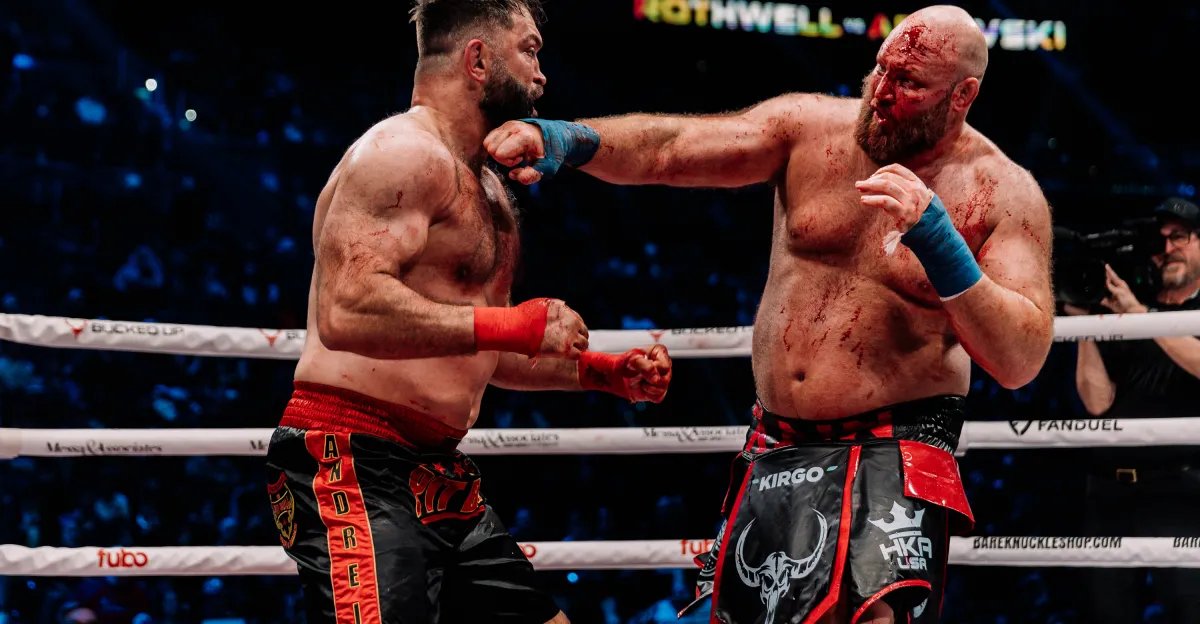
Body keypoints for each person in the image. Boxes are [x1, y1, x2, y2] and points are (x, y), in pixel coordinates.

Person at [485, 5, 1054, 623]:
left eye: (910, 83)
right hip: (778, 443)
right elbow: (674, 149)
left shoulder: (1002, 192)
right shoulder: (810, 129)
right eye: (880, 69)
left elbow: (1019, 360)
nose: (882, 93)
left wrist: (942, 246)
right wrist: (567, 139)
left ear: (962, 95)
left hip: (895, 445)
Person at [263, 1, 673, 623]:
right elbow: (345, 311)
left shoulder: (489, 187)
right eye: (528, 50)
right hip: (351, 455)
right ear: (477, 60)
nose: (541, 75)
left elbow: (479, 349)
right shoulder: (399, 153)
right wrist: (516, 324)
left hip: (438, 473)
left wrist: (601, 372)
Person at [1069, 197, 1200, 624]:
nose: (1168, 249)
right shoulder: (1131, 303)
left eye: (1179, 236)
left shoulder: (1150, 310)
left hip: (1179, 490)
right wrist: (1086, 325)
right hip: (1109, 491)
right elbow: (1097, 402)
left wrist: (1141, 317)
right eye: (1160, 241)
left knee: (1188, 608)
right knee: (1106, 611)